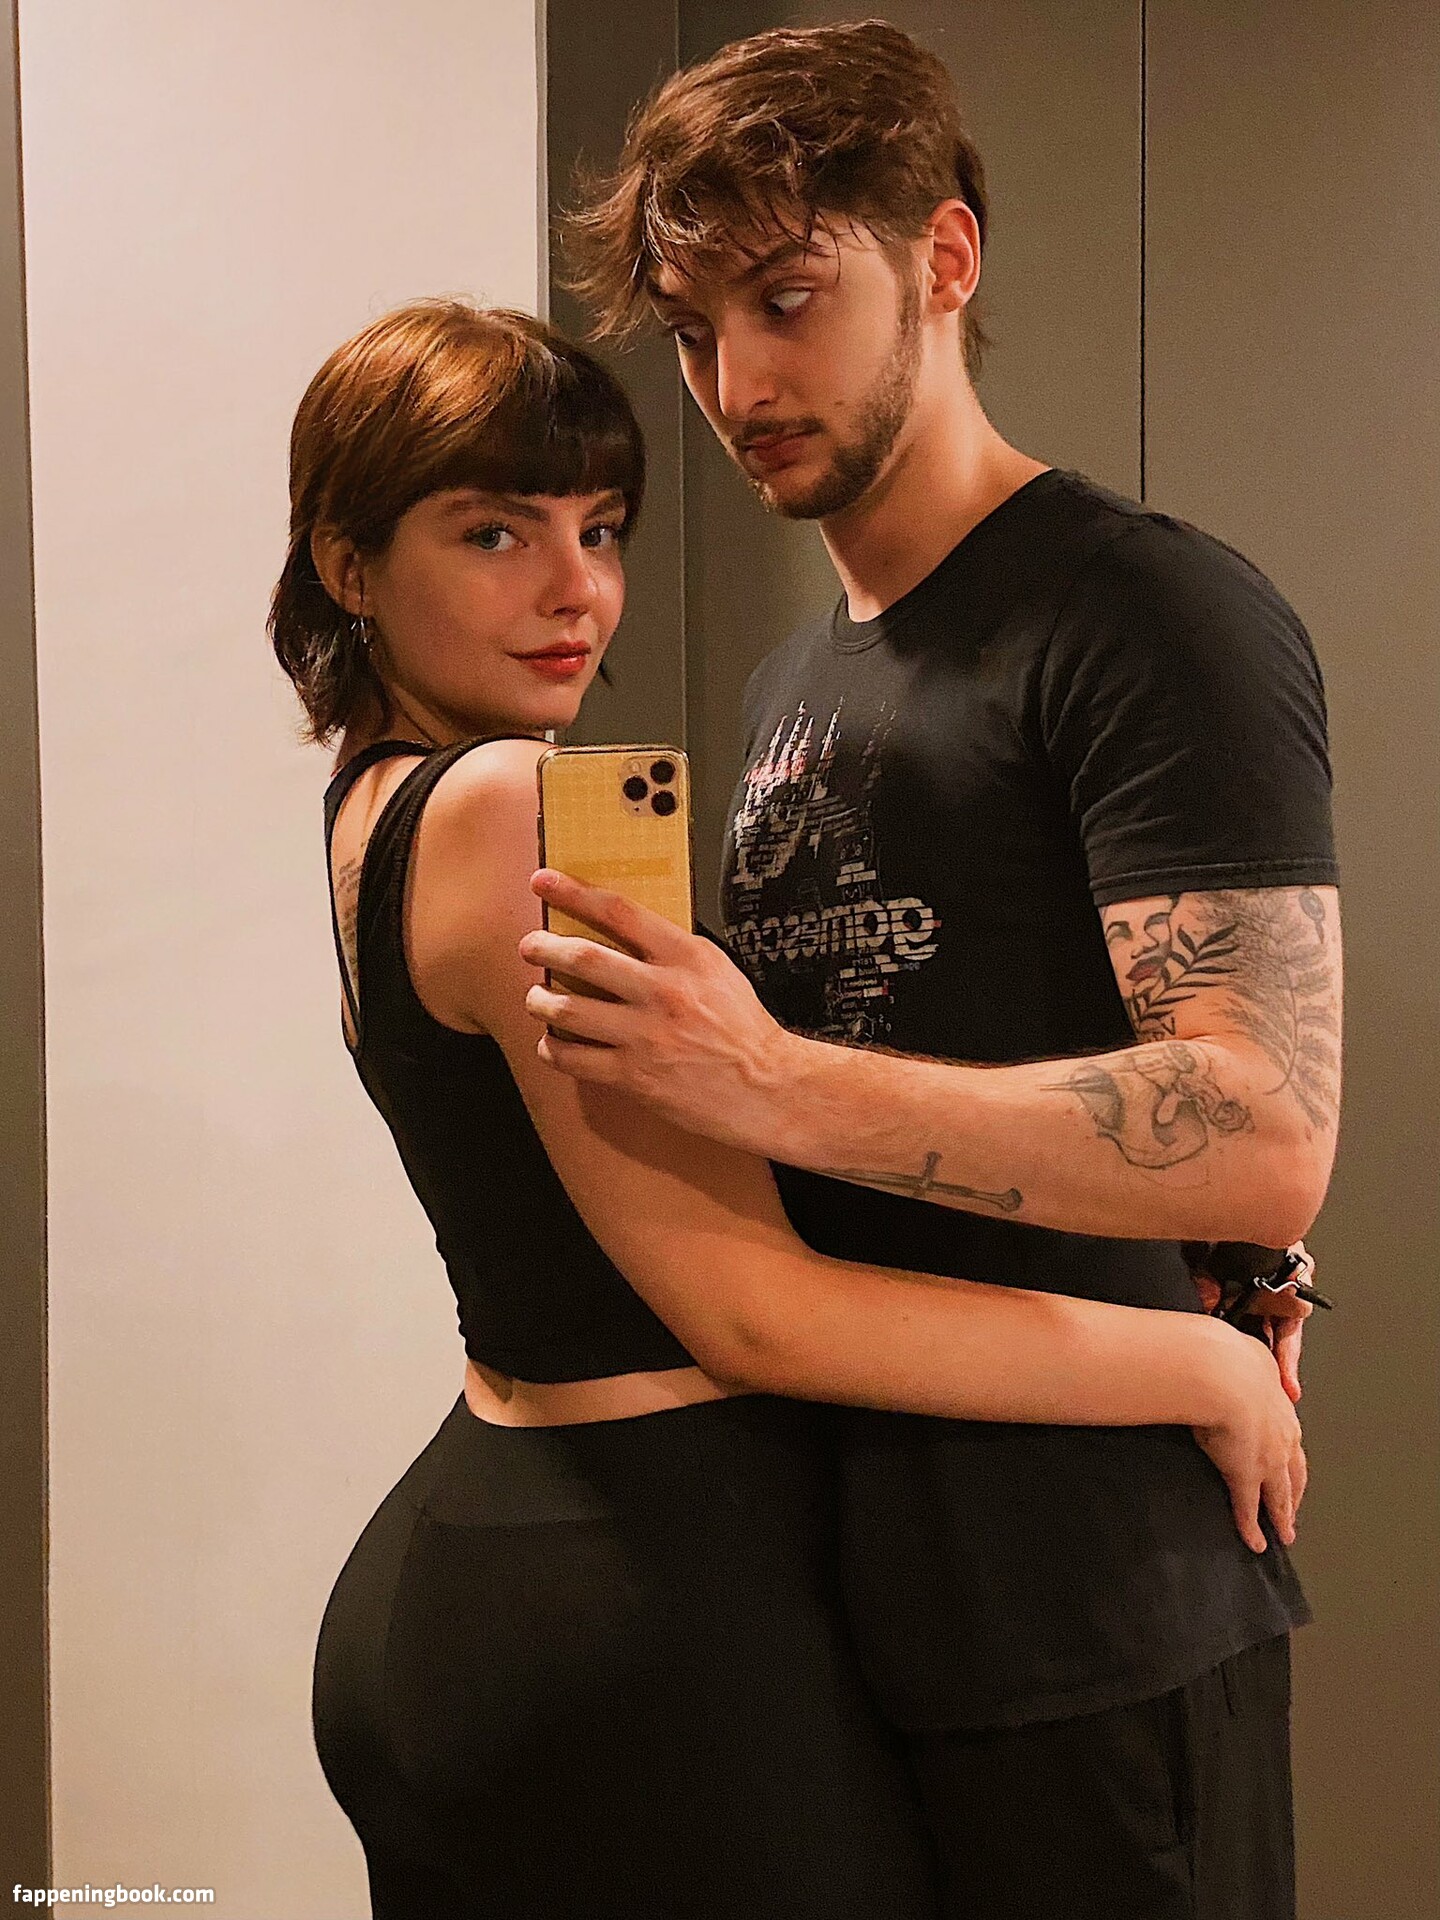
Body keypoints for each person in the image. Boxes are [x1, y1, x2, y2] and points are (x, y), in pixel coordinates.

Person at [273, 300, 1306, 1920]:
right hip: (633, 1596)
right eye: (494, 533)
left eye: (600, 528)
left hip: (494, 1562)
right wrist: (1198, 1366)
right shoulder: (510, 804)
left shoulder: (374, 805)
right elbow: (753, 1310)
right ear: (350, 565)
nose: (575, 589)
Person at [530, 20, 1344, 1920]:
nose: (737, 382)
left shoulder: (1147, 611)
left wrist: (771, 1082)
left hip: (1099, 1624)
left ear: (946, 259)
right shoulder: (792, 683)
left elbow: (1266, 1128)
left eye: (789, 299)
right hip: (850, 1621)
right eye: (695, 330)